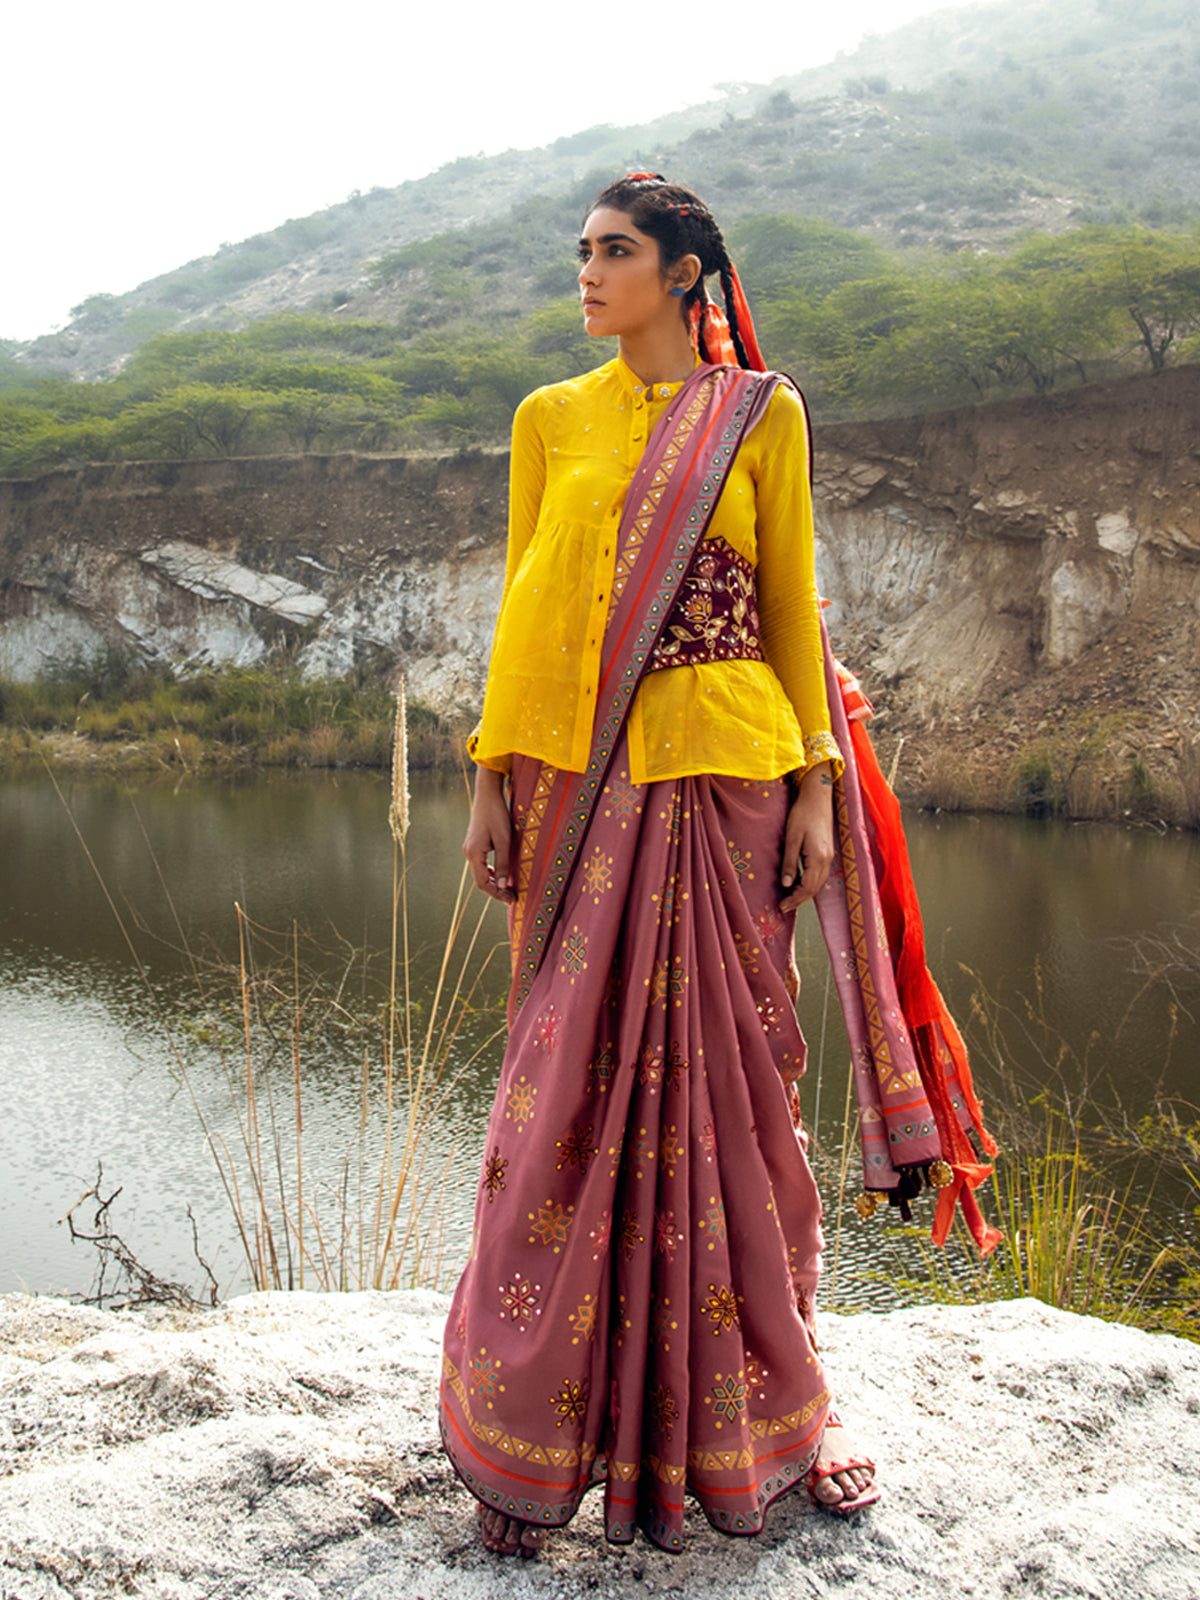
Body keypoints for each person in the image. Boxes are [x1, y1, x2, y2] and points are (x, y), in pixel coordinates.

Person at [440, 172, 879, 1559]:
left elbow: (796, 607)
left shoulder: (764, 413)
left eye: (615, 253)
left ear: (687, 274)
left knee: (735, 1111)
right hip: (580, 786)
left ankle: (775, 1413)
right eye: (580, 251)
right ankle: (534, 1438)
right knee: (560, 1095)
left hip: (733, 775)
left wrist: (815, 787)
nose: (586, 273)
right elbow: (525, 606)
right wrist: (493, 780)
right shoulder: (549, 421)